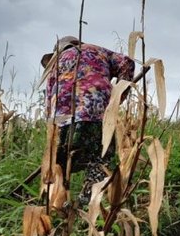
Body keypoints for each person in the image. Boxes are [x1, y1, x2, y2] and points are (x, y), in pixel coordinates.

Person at [43, 35, 135, 203]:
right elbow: (126, 63)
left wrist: (53, 128)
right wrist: (118, 96)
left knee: (60, 165)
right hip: (94, 111)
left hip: (61, 118)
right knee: (98, 159)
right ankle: (88, 206)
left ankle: (56, 206)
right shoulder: (94, 50)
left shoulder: (54, 64)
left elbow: (49, 97)